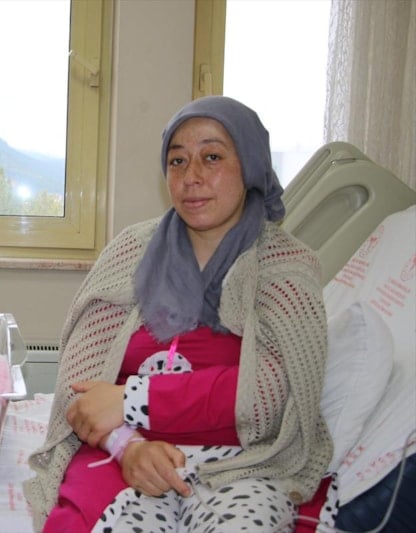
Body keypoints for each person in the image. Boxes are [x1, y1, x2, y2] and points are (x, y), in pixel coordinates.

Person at [23, 96, 333, 533]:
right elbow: (79, 389)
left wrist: (131, 400)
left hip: (246, 463)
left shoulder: (286, 267)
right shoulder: (129, 253)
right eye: (177, 161)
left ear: (250, 165)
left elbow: (269, 393)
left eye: (212, 157)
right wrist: (127, 446)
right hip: (123, 456)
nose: (191, 177)